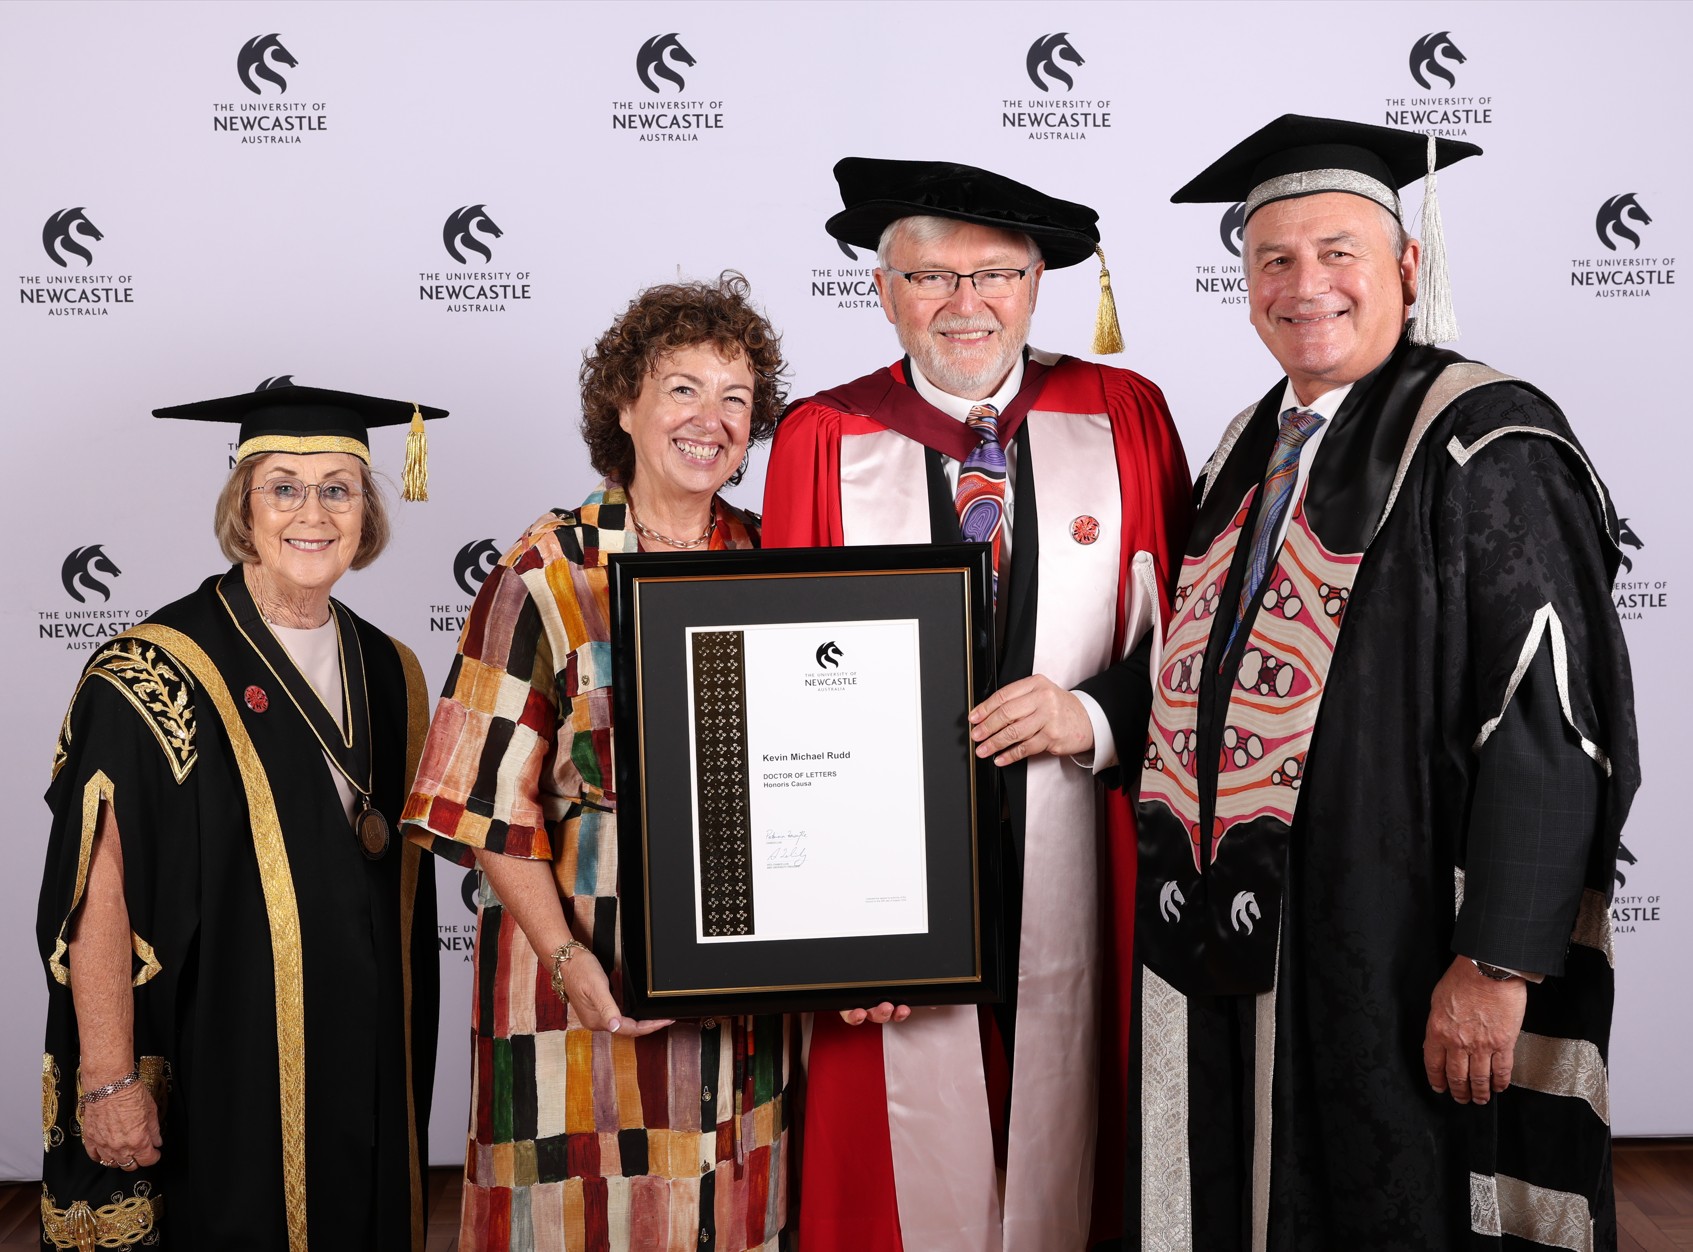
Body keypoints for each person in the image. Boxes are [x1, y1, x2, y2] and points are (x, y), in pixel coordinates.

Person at [1127, 115, 1639, 1250]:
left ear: (1408, 267)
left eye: (1336, 252)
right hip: (1239, 929)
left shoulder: (1487, 440)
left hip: (1397, 943)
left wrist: (1496, 962)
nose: (1304, 284)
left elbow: (1549, 724)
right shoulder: (1245, 448)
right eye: (1273, 259)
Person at [762, 158, 1192, 1252]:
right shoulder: (823, 435)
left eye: (995, 273)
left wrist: (1094, 717)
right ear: (883, 290)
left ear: (1037, 283)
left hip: (1084, 834)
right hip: (889, 858)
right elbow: (784, 693)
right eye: (929, 276)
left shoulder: (1123, 415)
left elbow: (1197, 642)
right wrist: (829, 929)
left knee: (1081, 1120)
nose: (965, 303)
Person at [402, 273, 793, 1252]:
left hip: (737, 982)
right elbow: (481, 803)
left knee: (724, 1216)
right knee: (570, 1218)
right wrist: (571, 960)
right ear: (623, 404)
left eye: (735, 397)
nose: (710, 419)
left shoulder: (774, 557)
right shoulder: (544, 570)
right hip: (576, 978)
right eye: (681, 388)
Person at [37, 385, 444, 1250]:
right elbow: (98, 889)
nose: (313, 513)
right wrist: (107, 1078)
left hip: (367, 1058)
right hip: (223, 1055)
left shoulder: (392, 670)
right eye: (283, 487)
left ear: (367, 512)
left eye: (338, 489)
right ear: (243, 507)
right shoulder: (151, 674)